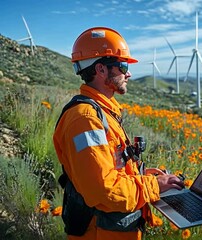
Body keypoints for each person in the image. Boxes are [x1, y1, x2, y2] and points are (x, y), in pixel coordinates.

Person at [53, 27, 184, 240]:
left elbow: (110, 167)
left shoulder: (102, 112)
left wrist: (144, 176)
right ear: (101, 69)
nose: (129, 73)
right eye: (123, 66)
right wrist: (154, 186)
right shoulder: (85, 120)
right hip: (99, 233)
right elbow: (103, 189)